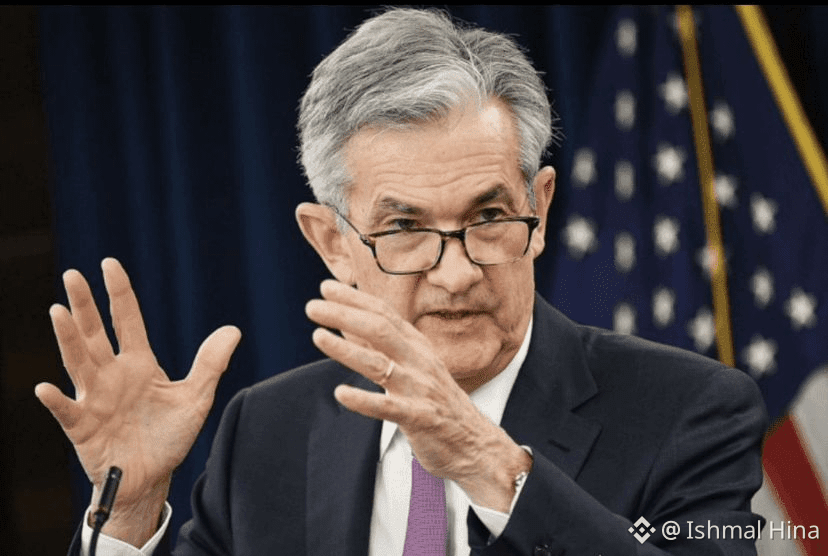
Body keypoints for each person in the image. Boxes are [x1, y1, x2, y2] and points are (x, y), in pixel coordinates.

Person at [37, 8, 767, 556]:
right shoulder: (267, 433)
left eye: (488, 217)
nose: (456, 272)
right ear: (332, 243)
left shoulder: (690, 412)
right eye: (406, 228)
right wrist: (127, 515)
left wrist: (490, 465)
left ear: (540, 210)